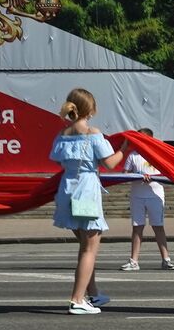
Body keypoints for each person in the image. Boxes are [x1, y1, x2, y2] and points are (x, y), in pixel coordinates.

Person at [51, 88, 125, 315]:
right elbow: (110, 163)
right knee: (89, 248)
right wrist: (125, 149)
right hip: (85, 191)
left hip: (66, 190)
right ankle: (77, 299)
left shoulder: (63, 134)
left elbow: (57, 160)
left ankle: (92, 293)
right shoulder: (92, 133)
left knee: (84, 245)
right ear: (90, 109)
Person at [119, 128, 174, 272]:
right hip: (137, 196)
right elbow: (124, 174)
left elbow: (167, 172)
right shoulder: (133, 155)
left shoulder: (157, 156)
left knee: (158, 227)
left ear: (150, 140)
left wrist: (152, 177)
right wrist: (138, 175)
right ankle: (134, 261)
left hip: (155, 196)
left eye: (143, 139)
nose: (140, 142)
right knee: (137, 228)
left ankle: (166, 260)